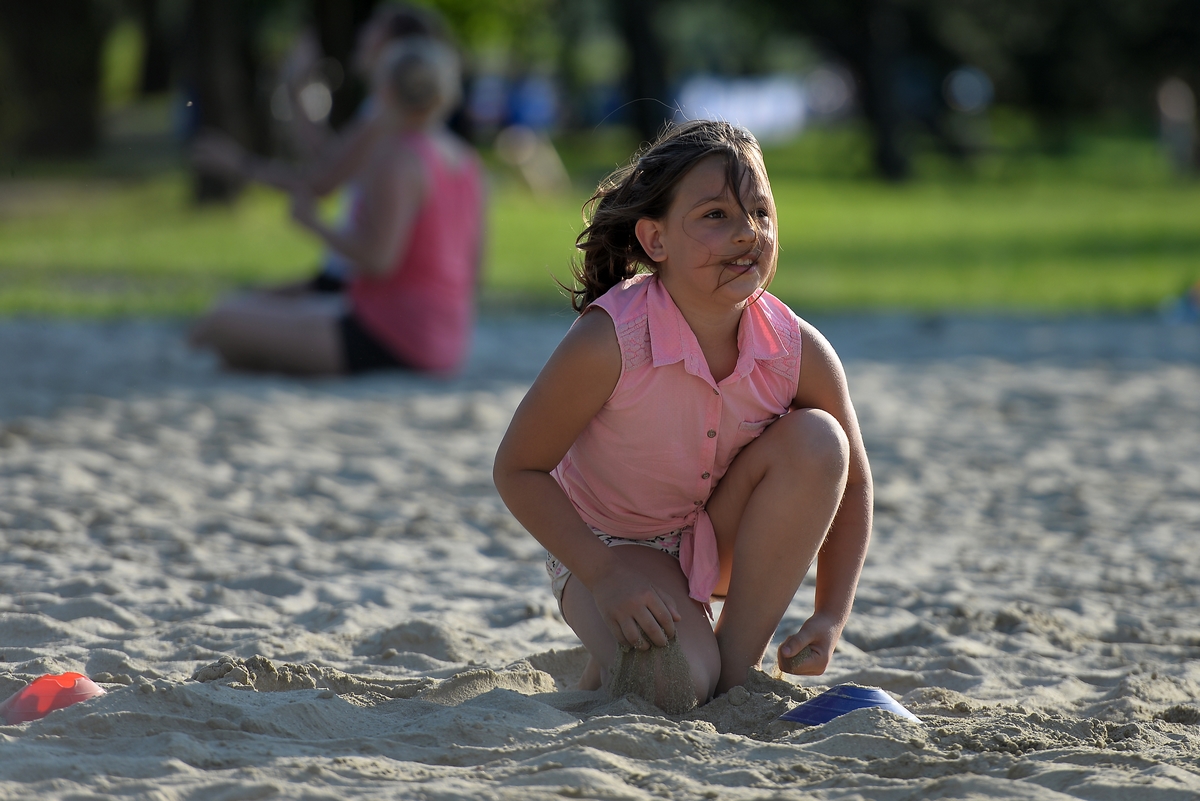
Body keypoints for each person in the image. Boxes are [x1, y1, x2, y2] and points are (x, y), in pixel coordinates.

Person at [492, 120, 872, 706]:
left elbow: (850, 483)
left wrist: (830, 615)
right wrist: (603, 575)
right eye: (716, 215)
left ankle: (737, 670)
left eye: (761, 213)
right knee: (675, 686)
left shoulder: (797, 348)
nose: (748, 233)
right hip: (607, 549)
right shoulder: (610, 339)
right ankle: (646, 657)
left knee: (822, 441)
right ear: (656, 239)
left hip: (715, 539)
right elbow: (517, 469)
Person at [190, 36, 484, 375]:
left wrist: (314, 224)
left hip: (390, 335)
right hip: (448, 340)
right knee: (240, 342)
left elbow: (379, 260)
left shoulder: (399, 158)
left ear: (385, 92)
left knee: (221, 321)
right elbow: (476, 267)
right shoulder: (466, 162)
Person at [192, 4, 450, 294]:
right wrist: (295, 92)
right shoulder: (385, 114)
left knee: (229, 315)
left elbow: (322, 179)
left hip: (354, 283)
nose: (362, 35)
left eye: (374, 30)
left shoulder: (385, 118)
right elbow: (331, 160)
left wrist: (239, 165)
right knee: (235, 310)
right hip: (348, 277)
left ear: (393, 48)